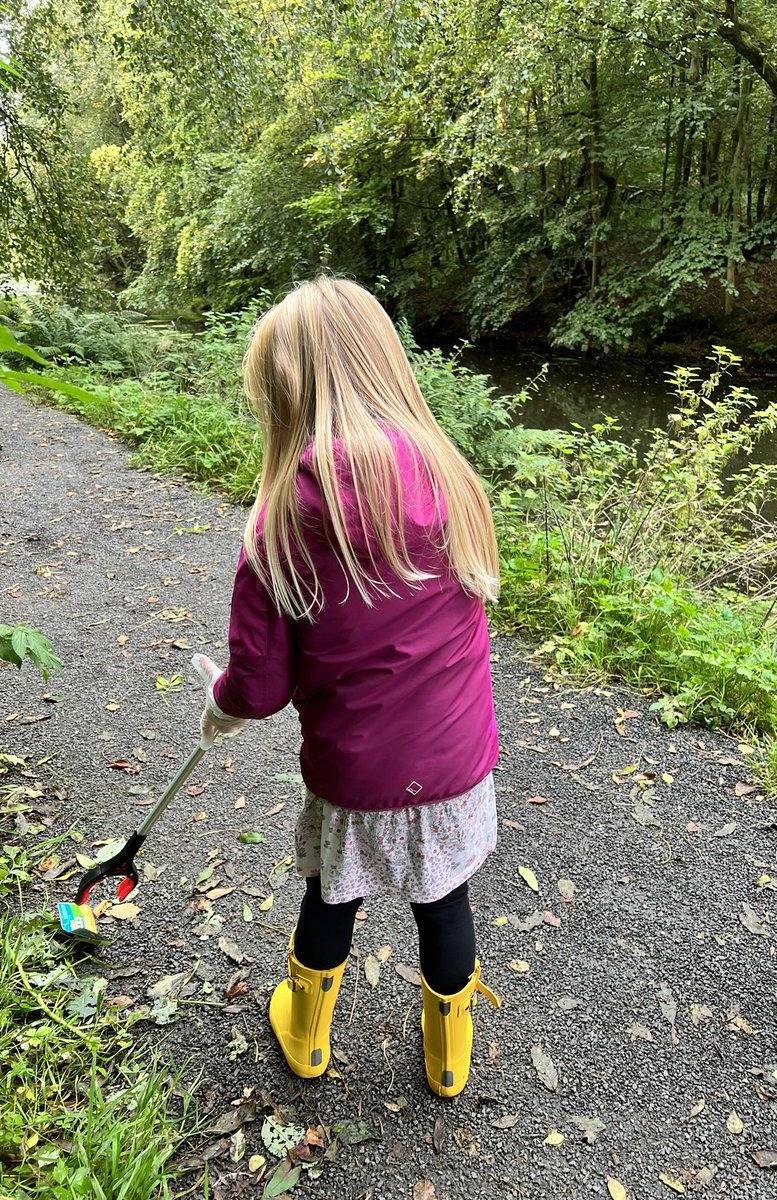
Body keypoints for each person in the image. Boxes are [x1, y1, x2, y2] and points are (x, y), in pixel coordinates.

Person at [191, 276, 500, 1098]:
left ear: (286, 394)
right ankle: (447, 1052)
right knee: (445, 897)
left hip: (356, 771)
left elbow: (257, 686)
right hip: (456, 762)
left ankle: (309, 1031)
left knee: (334, 893)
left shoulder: (279, 521)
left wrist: (218, 705)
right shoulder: (450, 475)